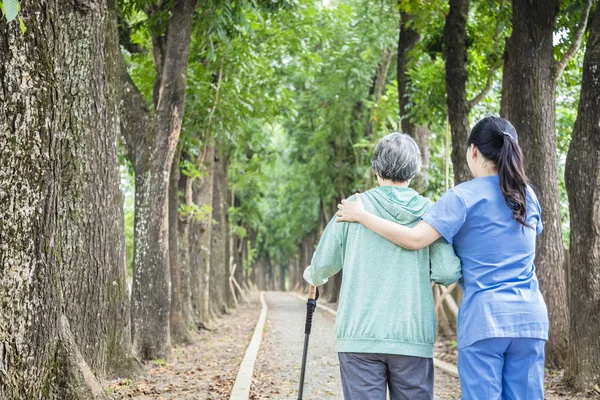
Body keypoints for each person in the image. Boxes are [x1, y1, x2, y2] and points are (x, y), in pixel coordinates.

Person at [336, 117, 549, 399]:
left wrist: (362, 215)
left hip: (486, 321)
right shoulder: (527, 196)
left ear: (473, 151)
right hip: (530, 320)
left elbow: (414, 239)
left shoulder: (462, 198)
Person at [303, 132, 461, 400]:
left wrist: (314, 278)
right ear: (413, 173)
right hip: (412, 336)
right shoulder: (429, 213)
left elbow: (322, 266)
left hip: (359, 334)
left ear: (375, 168)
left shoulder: (353, 207)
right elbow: (447, 273)